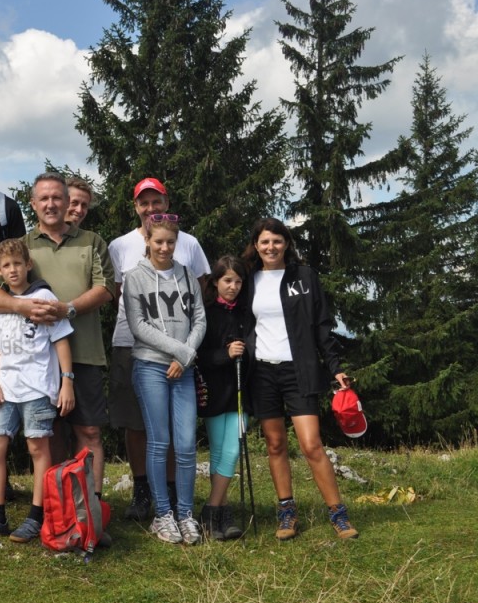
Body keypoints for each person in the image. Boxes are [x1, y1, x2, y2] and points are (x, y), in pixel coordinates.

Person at [0, 172, 115, 488]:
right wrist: (24, 307)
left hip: (85, 353)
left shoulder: (92, 241)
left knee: (90, 431)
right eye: (44, 198)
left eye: (57, 197)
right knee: (49, 434)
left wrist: (66, 309)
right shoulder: (22, 248)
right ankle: (58, 509)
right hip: (38, 362)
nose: (51, 204)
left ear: (68, 202)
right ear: (33, 204)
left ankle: (90, 511)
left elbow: (107, 288)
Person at [241, 217, 358, 540]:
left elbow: (322, 325)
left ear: (287, 244)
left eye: (277, 241)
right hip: (262, 371)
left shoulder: (305, 277)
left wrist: (335, 366)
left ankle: (338, 514)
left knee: (311, 444)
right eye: (264, 242)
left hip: (300, 369)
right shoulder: (248, 279)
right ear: (256, 245)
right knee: (275, 444)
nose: (271, 247)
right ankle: (286, 513)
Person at [109, 177, 210, 521]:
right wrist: (177, 350)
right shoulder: (121, 246)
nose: (151, 209)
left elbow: (199, 295)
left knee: (176, 434)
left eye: (157, 202)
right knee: (140, 426)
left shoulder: (189, 246)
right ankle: (143, 493)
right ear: (136, 207)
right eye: (144, 203)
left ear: (166, 203)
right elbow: (124, 298)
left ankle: (170, 494)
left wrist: (185, 352)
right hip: (133, 347)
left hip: (183, 351)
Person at [0, 239, 75, 543]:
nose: (13, 270)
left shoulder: (43, 297)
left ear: (27, 265)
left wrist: (67, 381)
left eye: (18, 263)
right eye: (6, 266)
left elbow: (61, 340)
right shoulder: (0, 301)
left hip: (38, 388)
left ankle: (35, 516)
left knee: (38, 449)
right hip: (5, 389)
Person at [123, 213, 206, 546]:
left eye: (170, 242)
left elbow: (199, 317)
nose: (164, 247)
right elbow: (138, 326)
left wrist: (185, 355)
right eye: (158, 241)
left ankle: (185, 513)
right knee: (159, 443)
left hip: (182, 369)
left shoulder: (186, 274)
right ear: (147, 240)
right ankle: (162, 514)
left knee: (185, 445)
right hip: (150, 366)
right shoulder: (134, 278)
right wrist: (180, 352)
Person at [196, 256, 249, 540]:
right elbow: (199, 356)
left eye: (238, 281)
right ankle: (222, 515)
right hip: (214, 392)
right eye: (227, 281)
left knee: (231, 451)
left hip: (242, 392)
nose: (233, 287)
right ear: (215, 281)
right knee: (219, 452)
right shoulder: (205, 313)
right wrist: (224, 355)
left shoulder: (245, 312)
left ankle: (211, 509)